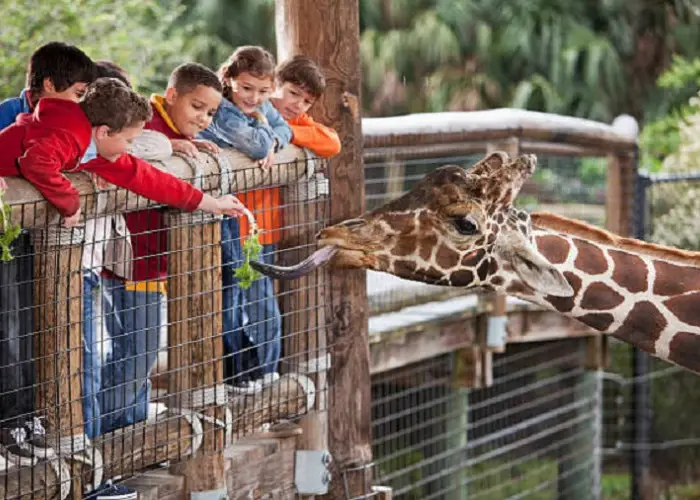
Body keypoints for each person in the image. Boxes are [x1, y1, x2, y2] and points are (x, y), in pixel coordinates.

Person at [0, 77, 246, 432]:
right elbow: (36, 161)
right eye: (129, 140)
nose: (130, 148)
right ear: (102, 132)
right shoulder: (67, 133)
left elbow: (150, 179)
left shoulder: (97, 152)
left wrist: (212, 204)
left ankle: (93, 439)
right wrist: (70, 203)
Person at [99, 62, 224, 434]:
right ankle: (96, 438)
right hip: (134, 262)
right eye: (196, 107)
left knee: (137, 358)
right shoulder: (145, 124)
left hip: (152, 261)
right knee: (139, 354)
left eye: (211, 112)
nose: (203, 118)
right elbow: (136, 151)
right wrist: (171, 146)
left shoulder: (170, 130)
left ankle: (127, 439)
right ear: (172, 96)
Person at [199, 46, 292, 388]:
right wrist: (266, 133)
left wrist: (270, 139)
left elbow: (287, 133)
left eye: (264, 91)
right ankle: (234, 372)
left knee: (247, 294)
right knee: (228, 295)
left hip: (247, 220)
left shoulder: (261, 107)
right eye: (247, 88)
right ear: (230, 80)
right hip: (218, 215)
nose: (255, 98)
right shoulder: (222, 110)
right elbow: (255, 146)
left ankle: (256, 372)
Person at [0, 41, 96, 130]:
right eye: (79, 94)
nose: (81, 102)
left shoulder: (74, 121)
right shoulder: (8, 113)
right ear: (49, 84)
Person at [270, 55, 341, 158]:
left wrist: (288, 132)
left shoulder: (296, 119)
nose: (299, 105)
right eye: (294, 93)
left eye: (307, 101)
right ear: (274, 86)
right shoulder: (253, 109)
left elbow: (333, 143)